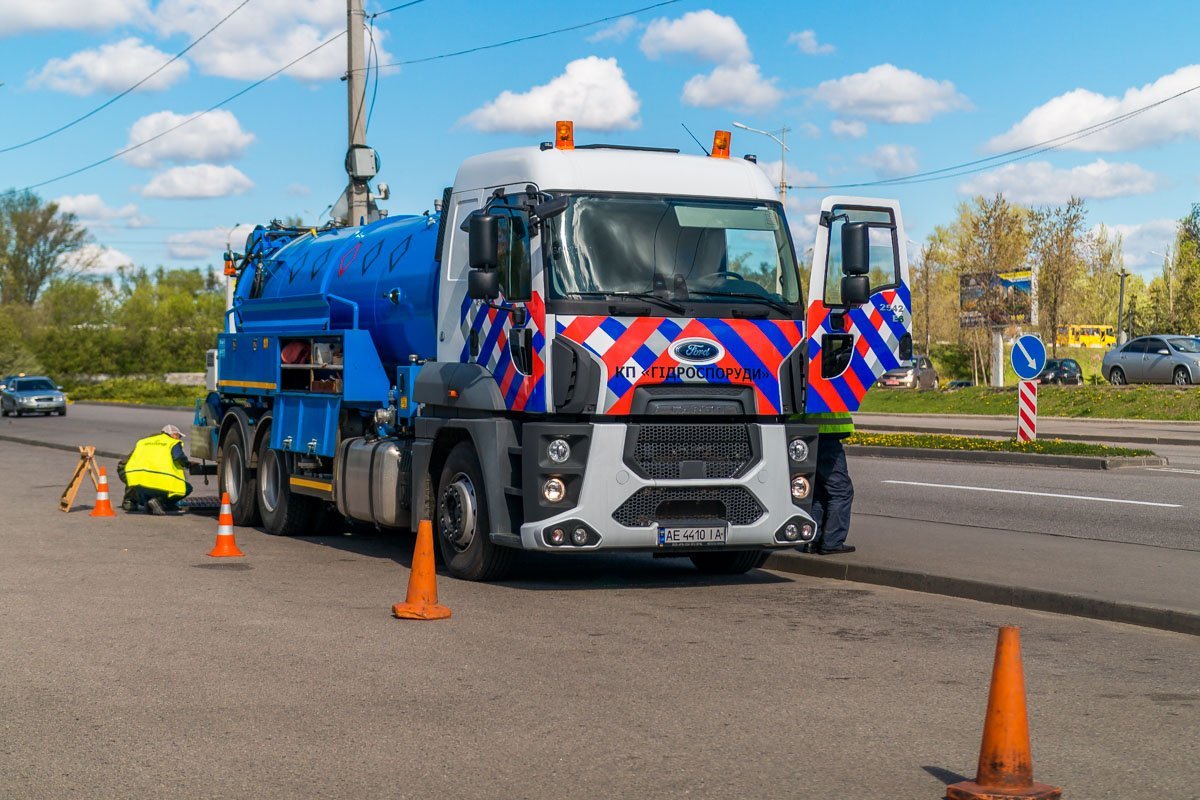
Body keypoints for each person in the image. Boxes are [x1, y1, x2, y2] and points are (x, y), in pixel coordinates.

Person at [800, 410, 856, 555]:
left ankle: (812, 539)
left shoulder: (808, 386)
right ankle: (832, 542)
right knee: (841, 491)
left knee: (819, 491)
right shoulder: (828, 386)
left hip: (805, 432)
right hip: (827, 433)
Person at [119, 424, 194, 515]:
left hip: (134, 477)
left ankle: (141, 502)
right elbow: (178, 456)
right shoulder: (172, 442)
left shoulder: (144, 442)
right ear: (174, 435)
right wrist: (188, 464)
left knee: (142, 481)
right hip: (157, 480)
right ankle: (160, 502)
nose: (179, 439)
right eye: (179, 436)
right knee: (185, 488)